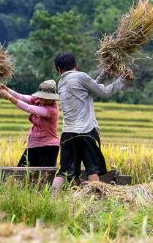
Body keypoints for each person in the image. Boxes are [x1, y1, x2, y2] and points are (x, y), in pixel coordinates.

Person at [50, 53, 133, 194]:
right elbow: (104, 92)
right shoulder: (81, 77)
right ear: (76, 65)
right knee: (92, 167)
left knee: (64, 170)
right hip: (85, 132)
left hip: (68, 133)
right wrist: (122, 80)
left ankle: (51, 197)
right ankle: (95, 200)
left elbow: (91, 87)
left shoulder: (62, 82)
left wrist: (105, 72)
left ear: (59, 69)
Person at [0, 79, 60, 167]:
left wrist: (8, 97)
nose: (43, 101)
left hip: (48, 147)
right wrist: (7, 89)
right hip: (33, 144)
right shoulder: (38, 100)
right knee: (21, 172)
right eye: (41, 98)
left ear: (52, 99)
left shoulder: (51, 110)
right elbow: (21, 97)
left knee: (44, 177)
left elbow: (29, 108)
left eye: (46, 99)